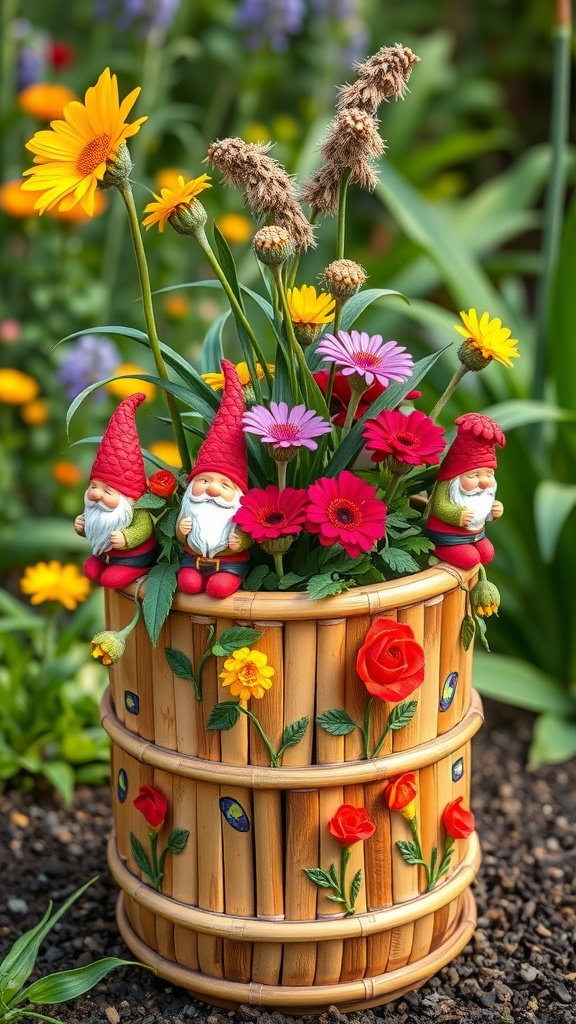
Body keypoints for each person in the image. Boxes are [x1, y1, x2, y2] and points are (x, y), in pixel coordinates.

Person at [176, 360, 251, 598]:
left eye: (224, 484)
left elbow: (247, 533)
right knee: (188, 583)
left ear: (238, 494)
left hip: (229, 563)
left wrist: (240, 540)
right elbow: (181, 534)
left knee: (219, 587)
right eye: (204, 481)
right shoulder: (191, 506)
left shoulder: (236, 513)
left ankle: (226, 577)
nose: (212, 490)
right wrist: (181, 529)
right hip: (193, 559)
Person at [74, 393, 159, 588]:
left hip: (133, 558)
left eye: (108, 492)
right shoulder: (98, 507)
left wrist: (127, 538)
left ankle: (136, 568)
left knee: (110, 580)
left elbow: (144, 529)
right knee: (91, 570)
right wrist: (83, 526)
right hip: (104, 553)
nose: (96, 494)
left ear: (128, 499)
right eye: (94, 486)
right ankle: (104, 562)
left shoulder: (137, 510)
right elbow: (97, 526)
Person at [425, 412, 506, 570]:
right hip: (449, 537)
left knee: (487, 553)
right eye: (474, 475)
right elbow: (439, 506)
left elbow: (483, 510)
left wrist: (494, 512)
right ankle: (441, 549)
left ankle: (472, 543)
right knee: (471, 559)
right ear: (457, 477)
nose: (484, 482)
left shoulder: (484, 491)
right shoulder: (448, 485)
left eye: (489, 474)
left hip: (476, 534)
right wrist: (457, 515)